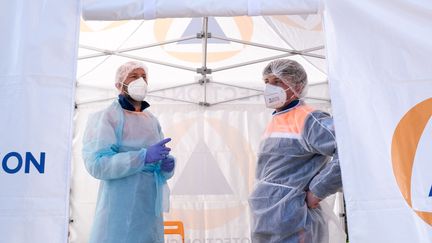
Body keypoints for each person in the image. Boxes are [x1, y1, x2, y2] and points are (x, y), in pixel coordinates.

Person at [249, 59, 342, 243]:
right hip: (265, 216)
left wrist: (318, 189)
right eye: (267, 82)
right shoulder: (277, 119)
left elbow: (347, 153)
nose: (269, 88)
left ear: (297, 87)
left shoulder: (309, 119)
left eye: (277, 82)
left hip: (293, 217)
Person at [82, 61, 176, 243]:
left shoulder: (152, 121)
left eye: (144, 77)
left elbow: (158, 162)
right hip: (119, 206)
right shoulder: (107, 117)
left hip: (148, 208)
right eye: (134, 76)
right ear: (119, 85)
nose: (140, 80)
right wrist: (143, 157)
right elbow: (97, 164)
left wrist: (165, 167)